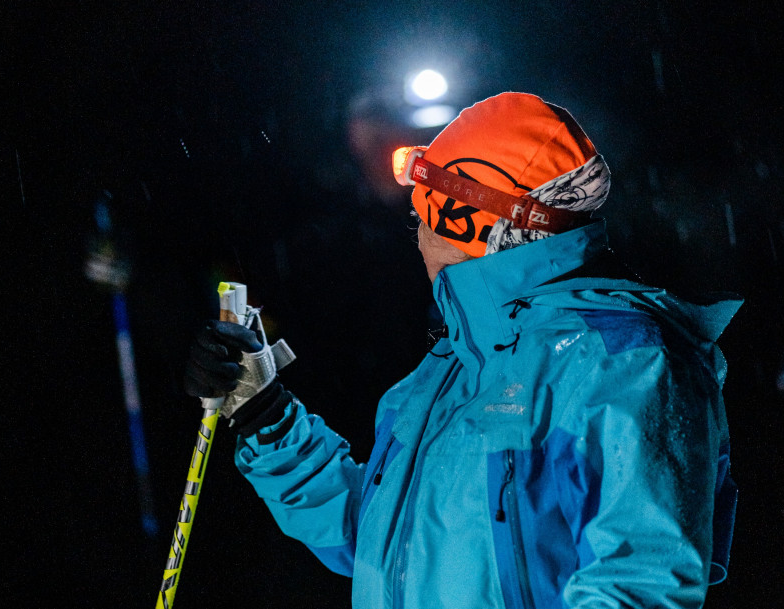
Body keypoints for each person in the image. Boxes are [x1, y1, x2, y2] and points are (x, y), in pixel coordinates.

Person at [184, 92, 740, 609]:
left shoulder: (625, 364)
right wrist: (266, 415)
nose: (418, 239)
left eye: (422, 219)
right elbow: (377, 539)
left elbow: (638, 585)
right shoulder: (451, 370)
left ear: (465, 224)